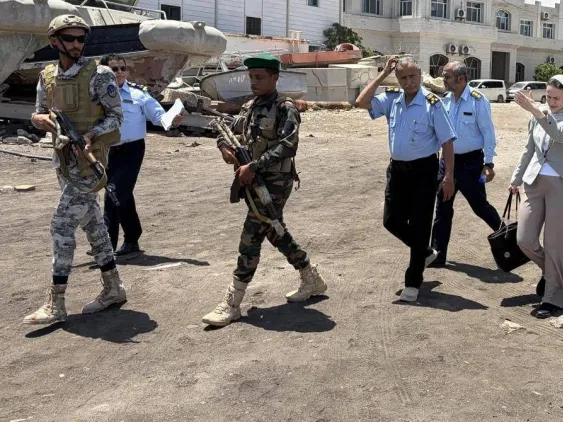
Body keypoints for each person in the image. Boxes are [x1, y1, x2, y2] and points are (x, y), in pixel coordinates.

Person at [202, 54, 326, 327]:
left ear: (274, 78)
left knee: (251, 236)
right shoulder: (250, 107)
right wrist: (223, 147)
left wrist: (254, 166)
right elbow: (229, 130)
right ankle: (310, 276)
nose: (254, 82)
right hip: (251, 179)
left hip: (275, 182)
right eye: (251, 77)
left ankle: (232, 302)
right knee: (274, 230)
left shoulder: (285, 108)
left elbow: (288, 145)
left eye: (259, 77)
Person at [23, 14, 127, 326]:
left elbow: (116, 117)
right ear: (54, 41)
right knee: (93, 224)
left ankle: (56, 301)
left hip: (89, 163)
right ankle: (113, 288)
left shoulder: (100, 75)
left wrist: (91, 135)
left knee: (61, 225)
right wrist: (40, 120)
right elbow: (39, 113)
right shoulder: (48, 76)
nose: (77, 44)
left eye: (81, 38)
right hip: (63, 161)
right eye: (70, 38)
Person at [355, 56, 456, 303]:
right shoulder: (392, 100)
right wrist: (383, 74)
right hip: (397, 170)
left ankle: (413, 281)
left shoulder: (432, 104)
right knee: (391, 221)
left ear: (420, 74)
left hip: (424, 170)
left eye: (412, 76)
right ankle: (425, 251)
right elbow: (361, 102)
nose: (408, 82)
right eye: (403, 78)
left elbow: (447, 142)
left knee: (421, 224)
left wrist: (449, 176)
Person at [509, 75, 563, 319]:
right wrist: (515, 179)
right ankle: (552, 273)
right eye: (548, 97)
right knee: (524, 239)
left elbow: (561, 135)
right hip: (533, 182)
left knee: (555, 244)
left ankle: (553, 297)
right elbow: (529, 149)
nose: (551, 102)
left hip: (560, 185)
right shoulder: (538, 114)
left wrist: (536, 111)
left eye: (556, 98)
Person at [100, 53, 183, 257]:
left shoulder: (138, 94)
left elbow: (158, 116)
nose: (120, 72)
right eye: (114, 69)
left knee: (114, 193)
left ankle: (105, 248)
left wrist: (172, 121)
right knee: (122, 194)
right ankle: (132, 238)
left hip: (131, 150)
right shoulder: (95, 94)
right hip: (105, 150)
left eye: (123, 68)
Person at [429, 61, 501, 267]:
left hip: (471, 164)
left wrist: (489, 163)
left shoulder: (478, 101)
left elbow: (488, 132)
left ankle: (508, 238)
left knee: (480, 207)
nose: (443, 80)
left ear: (460, 79)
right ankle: (437, 254)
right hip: (447, 163)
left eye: (447, 76)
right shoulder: (445, 100)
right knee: (442, 209)